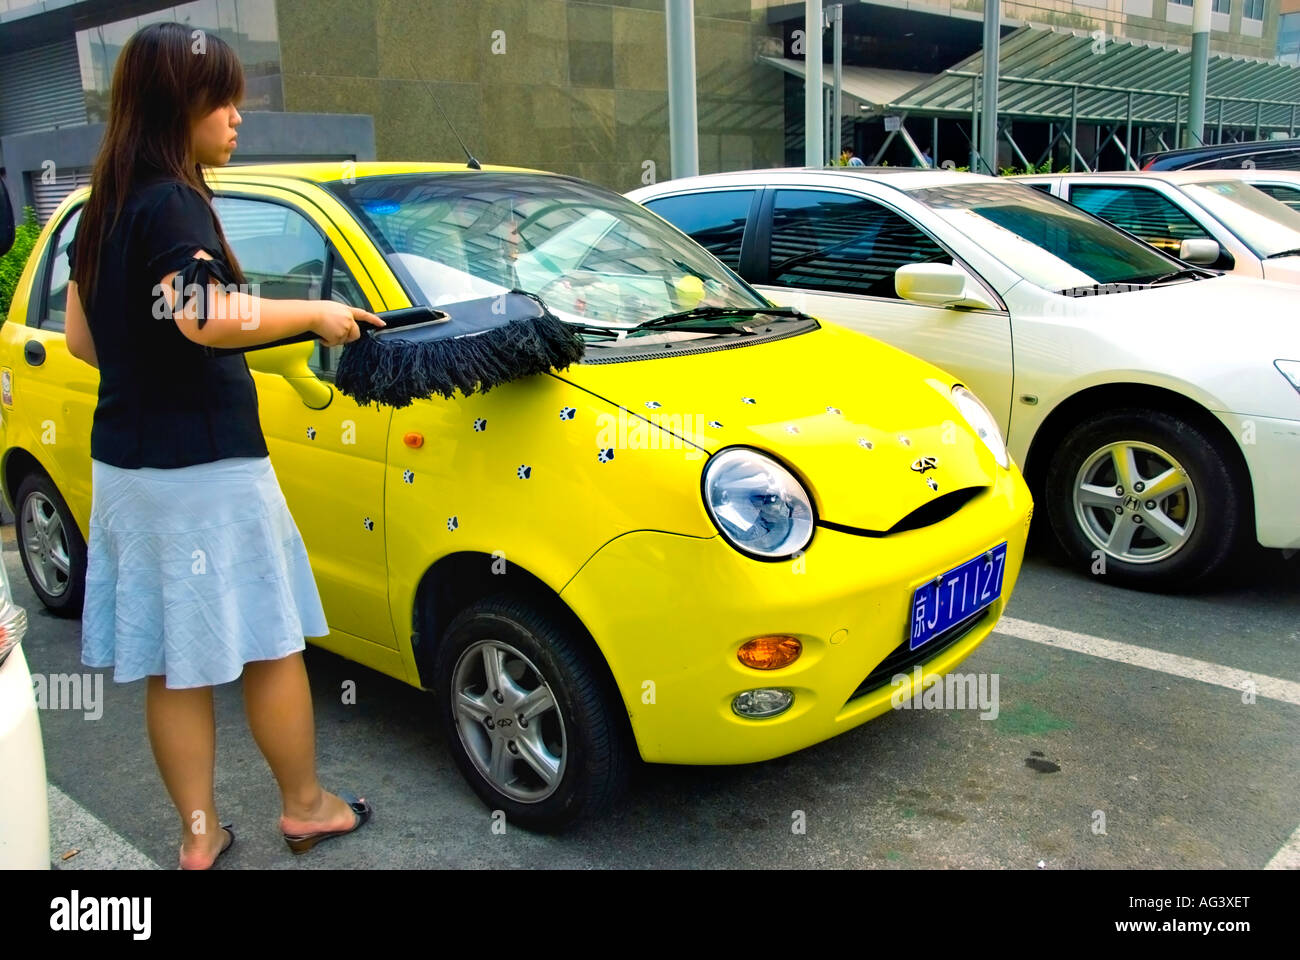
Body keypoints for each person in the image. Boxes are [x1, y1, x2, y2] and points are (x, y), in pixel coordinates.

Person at [64, 21, 384, 869]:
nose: (239, 114)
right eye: (224, 97)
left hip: (128, 470)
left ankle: (198, 839)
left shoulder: (103, 207)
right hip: (207, 469)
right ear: (181, 103)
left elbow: (83, 344)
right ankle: (306, 807)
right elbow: (200, 315)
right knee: (270, 643)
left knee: (177, 661)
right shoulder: (174, 198)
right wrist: (312, 315)